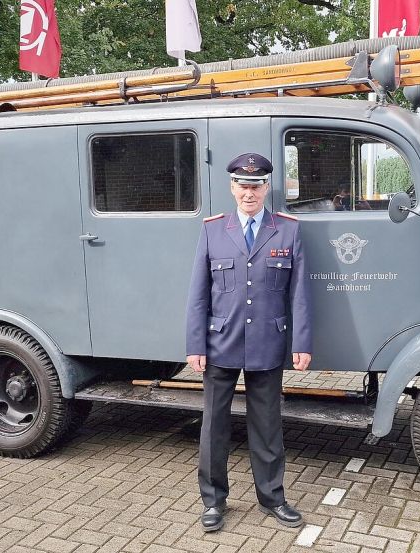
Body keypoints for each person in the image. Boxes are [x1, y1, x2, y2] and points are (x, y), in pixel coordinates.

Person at [185, 152, 312, 532]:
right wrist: (195, 345)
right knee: (214, 428)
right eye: (242, 184)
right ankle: (213, 502)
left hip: (267, 343)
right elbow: (198, 293)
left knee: (267, 426)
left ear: (266, 187)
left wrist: (301, 343)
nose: (249, 192)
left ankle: (273, 498)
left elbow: (300, 294)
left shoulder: (287, 230)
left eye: (256, 185)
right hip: (220, 342)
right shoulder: (212, 230)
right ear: (232, 187)